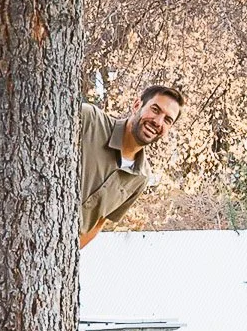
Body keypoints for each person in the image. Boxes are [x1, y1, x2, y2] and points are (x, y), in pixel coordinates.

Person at [78, 85, 183, 248]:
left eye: (167, 120)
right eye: (155, 110)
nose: (158, 122)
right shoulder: (89, 120)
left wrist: (65, 254)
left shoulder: (141, 178)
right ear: (136, 106)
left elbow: (98, 223)